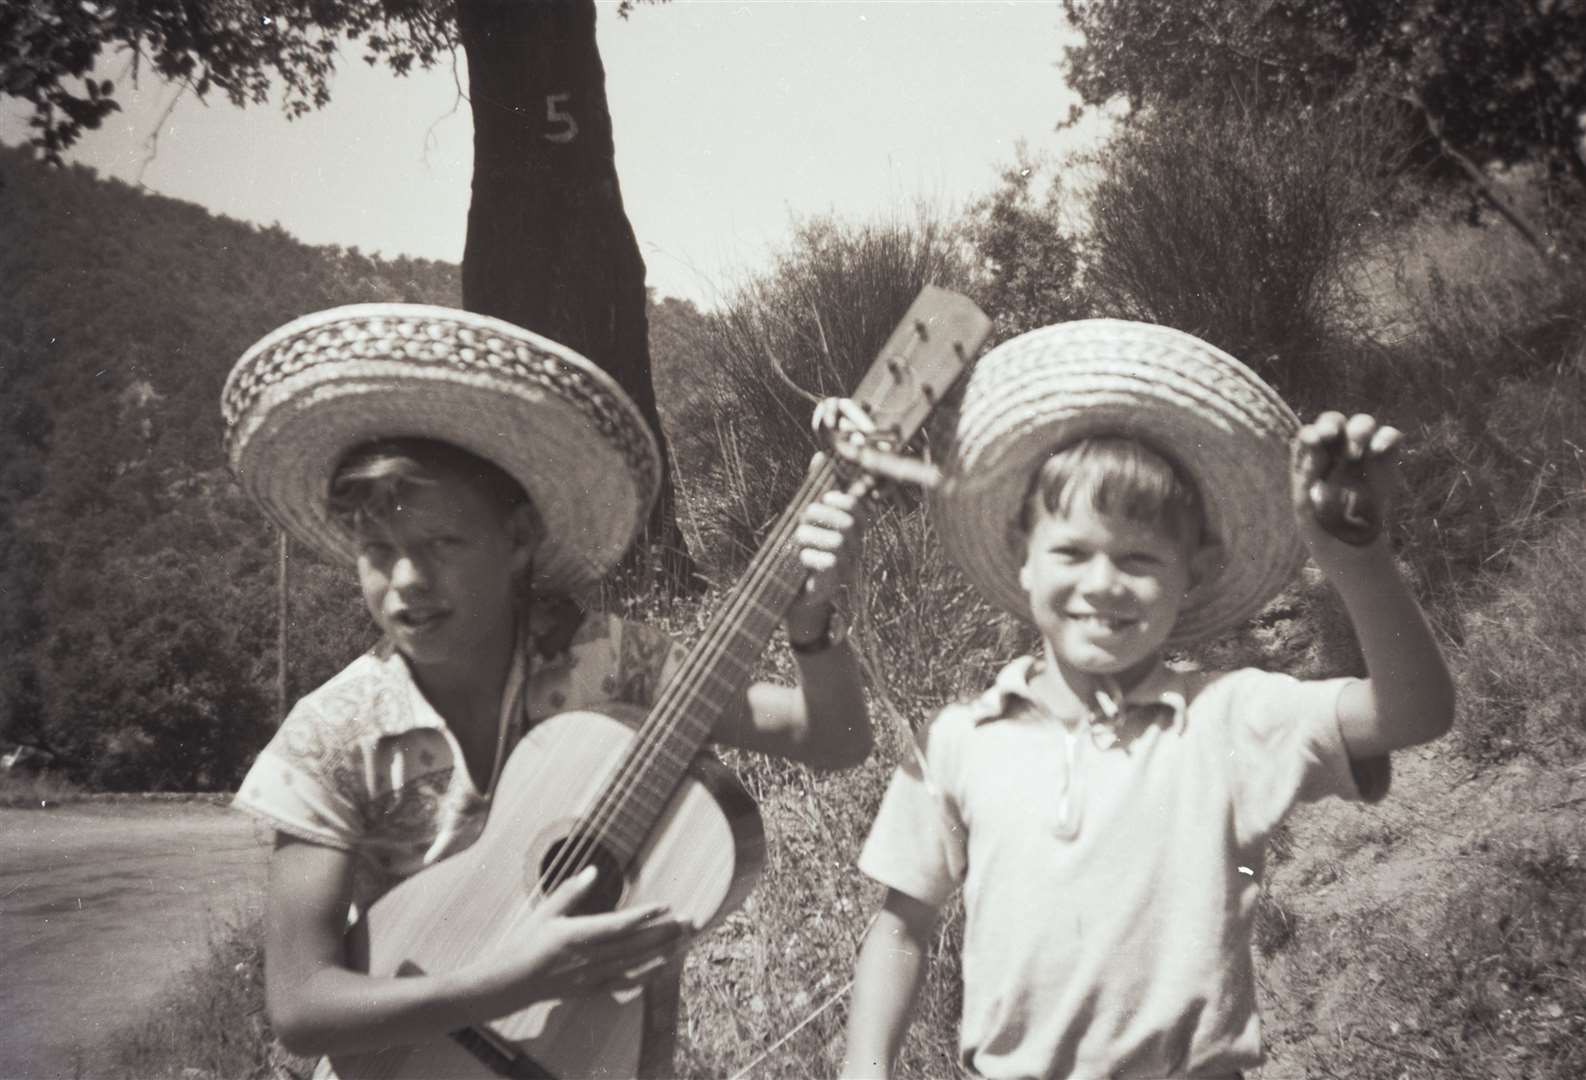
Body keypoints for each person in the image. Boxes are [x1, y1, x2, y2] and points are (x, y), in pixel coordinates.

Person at [221, 304, 872, 1071]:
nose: (406, 581)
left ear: (520, 538)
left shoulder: (610, 663)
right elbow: (300, 1006)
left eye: (443, 543)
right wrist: (504, 984)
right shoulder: (333, 732)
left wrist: (813, 623)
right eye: (377, 549)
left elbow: (834, 741)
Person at [840, 319, 1455, 1080]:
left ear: (1193, 569)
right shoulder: (961, 741)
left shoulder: (1227, 718)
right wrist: (863, 1070)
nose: (1102, 584)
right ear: (1021, 561)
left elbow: (1416, 713)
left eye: (1139, 558)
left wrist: (1356, 564)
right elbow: (901, 927)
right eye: (1070, 552)